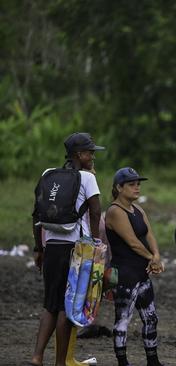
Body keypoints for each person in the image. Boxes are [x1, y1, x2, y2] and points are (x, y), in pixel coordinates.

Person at [27, 132, 104, 366]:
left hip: (51, 248)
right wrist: (95, 244)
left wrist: (38, 248)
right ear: (79, 154)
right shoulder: (87, 178)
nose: (92, 156)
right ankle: (60, 363)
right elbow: (96, 211)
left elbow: (36, 214)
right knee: (68, 307)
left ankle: (37, 356)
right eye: (90, 152)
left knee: (50, 304)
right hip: (76, 250)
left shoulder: (48, 175)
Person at [104, 167, 165, 366]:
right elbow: (132, 242)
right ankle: (123, 361)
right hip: (124, 273)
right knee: (123, 320)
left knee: (151, 317)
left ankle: (153, 360)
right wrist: (151, 258)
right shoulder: (115, 211)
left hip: (141, 271)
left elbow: (149, 235)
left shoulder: (138, 209)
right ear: (119, 188)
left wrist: (155, 255)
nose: (137, 187)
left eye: (138, 183)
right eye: (132, 184)